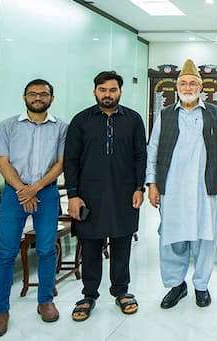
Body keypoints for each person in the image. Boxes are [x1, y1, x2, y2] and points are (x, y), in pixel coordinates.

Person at [145, 59, 217, 309]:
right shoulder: (165, 114)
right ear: (177, 86)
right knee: (172, 238)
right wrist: (152, 183)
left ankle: (201, 286)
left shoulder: (214, 114)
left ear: (201, 87)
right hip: (172, 187)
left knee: (205, 238)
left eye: (193, 83)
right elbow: (153, 149)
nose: (188, 86)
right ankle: (176, 284)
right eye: (183, 82)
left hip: (205, 188)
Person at [0, 79, 67, 338]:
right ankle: (1, 312)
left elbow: (60, 163)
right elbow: (3, 161)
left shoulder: (61, 128)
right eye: (32, 94)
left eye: (43, 94)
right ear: (24, 97)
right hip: (14, 195)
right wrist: (23, 190)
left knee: (46, 250)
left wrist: (35, 188)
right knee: (6, 252)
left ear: (51, 99)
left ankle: (45, 301)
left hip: (47, 193)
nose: (38, 98)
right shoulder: (8, 126)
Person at [64, 71, 147, 321]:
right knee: (90, 244)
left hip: (124, 192)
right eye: (103, 90)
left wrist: (138, 187)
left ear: (120, 92)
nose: (107, 95)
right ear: (94, 92)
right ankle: (89, 295)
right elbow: (71, 160)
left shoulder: (133, 119)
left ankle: (121, 292)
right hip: (89, 194)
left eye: (112, 90)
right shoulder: (81, 120)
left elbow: (140, 156)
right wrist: (73, 195)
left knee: (122, 242)